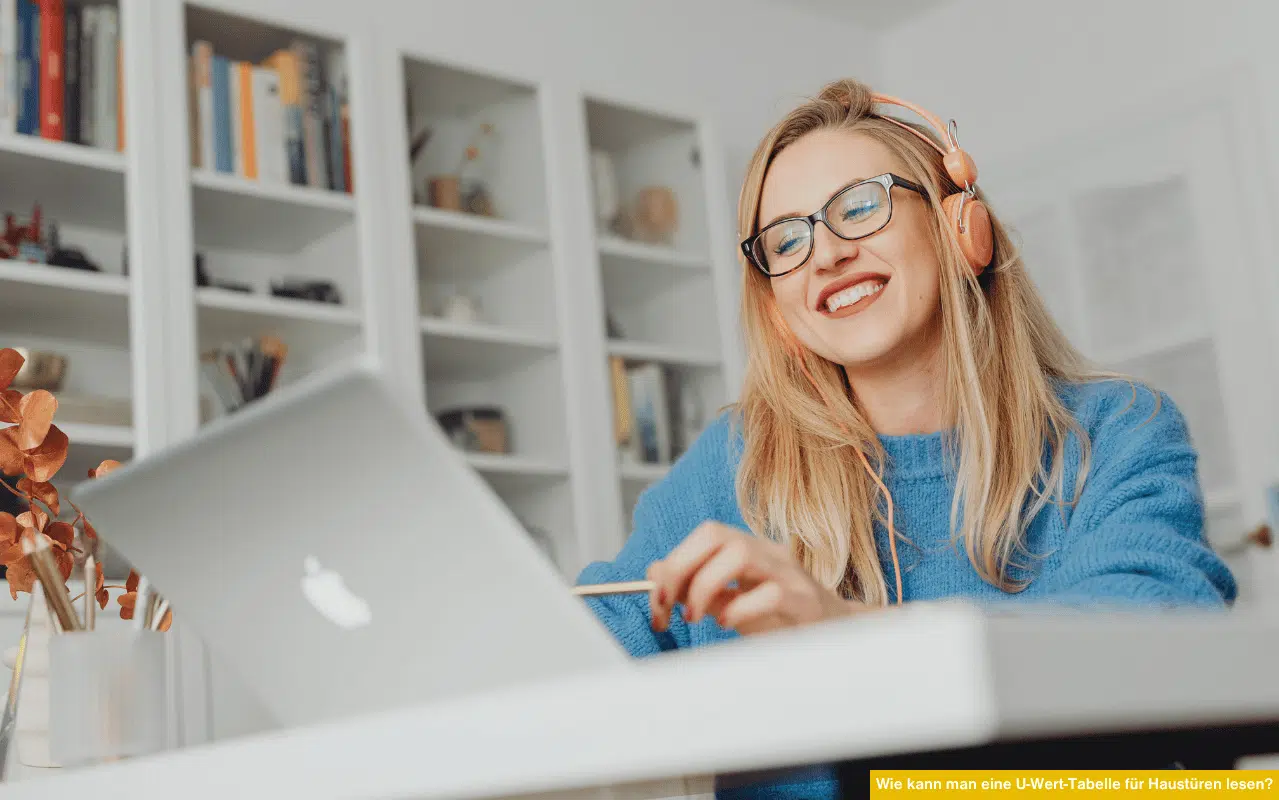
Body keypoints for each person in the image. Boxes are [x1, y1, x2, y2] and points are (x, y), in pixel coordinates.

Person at [575, 78, 1237, 798]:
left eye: (860, 206)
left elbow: (1146, 649)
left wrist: (845, 636)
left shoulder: (1116, 432)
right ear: (778, 307)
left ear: (961, 230)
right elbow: (588, 647)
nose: (824, 254)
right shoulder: (735, 466)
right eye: (786, 241)